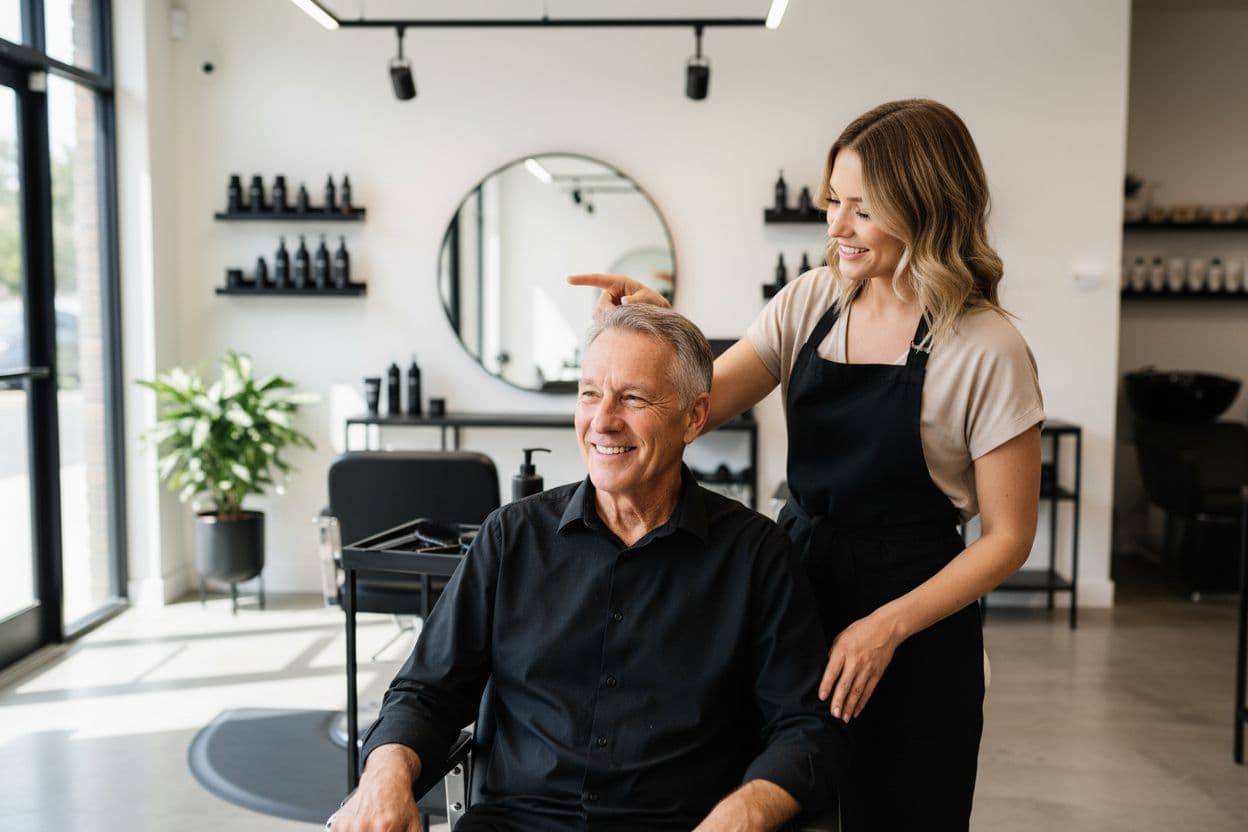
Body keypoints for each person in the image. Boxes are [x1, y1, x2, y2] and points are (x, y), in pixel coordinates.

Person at [569, 98, 1044, 830]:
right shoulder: (812, 301)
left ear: (926, 206)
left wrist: (887, 626)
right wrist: (658, 329)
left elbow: (1009, 538)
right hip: (796, 586)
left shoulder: (987, 347)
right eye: (833, 202)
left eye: (862, 209)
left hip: (916, 614)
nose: (836, 227)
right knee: (779, 796)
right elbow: (702, 403)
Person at [329, 304, 849, 832]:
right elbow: (425, 691)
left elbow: (805, 729)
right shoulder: (511, 537)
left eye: (633, 398)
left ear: (694, 417)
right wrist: (384, 778)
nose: (602, 421)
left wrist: (742, 815)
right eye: (590, 394)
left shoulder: (757, 555)